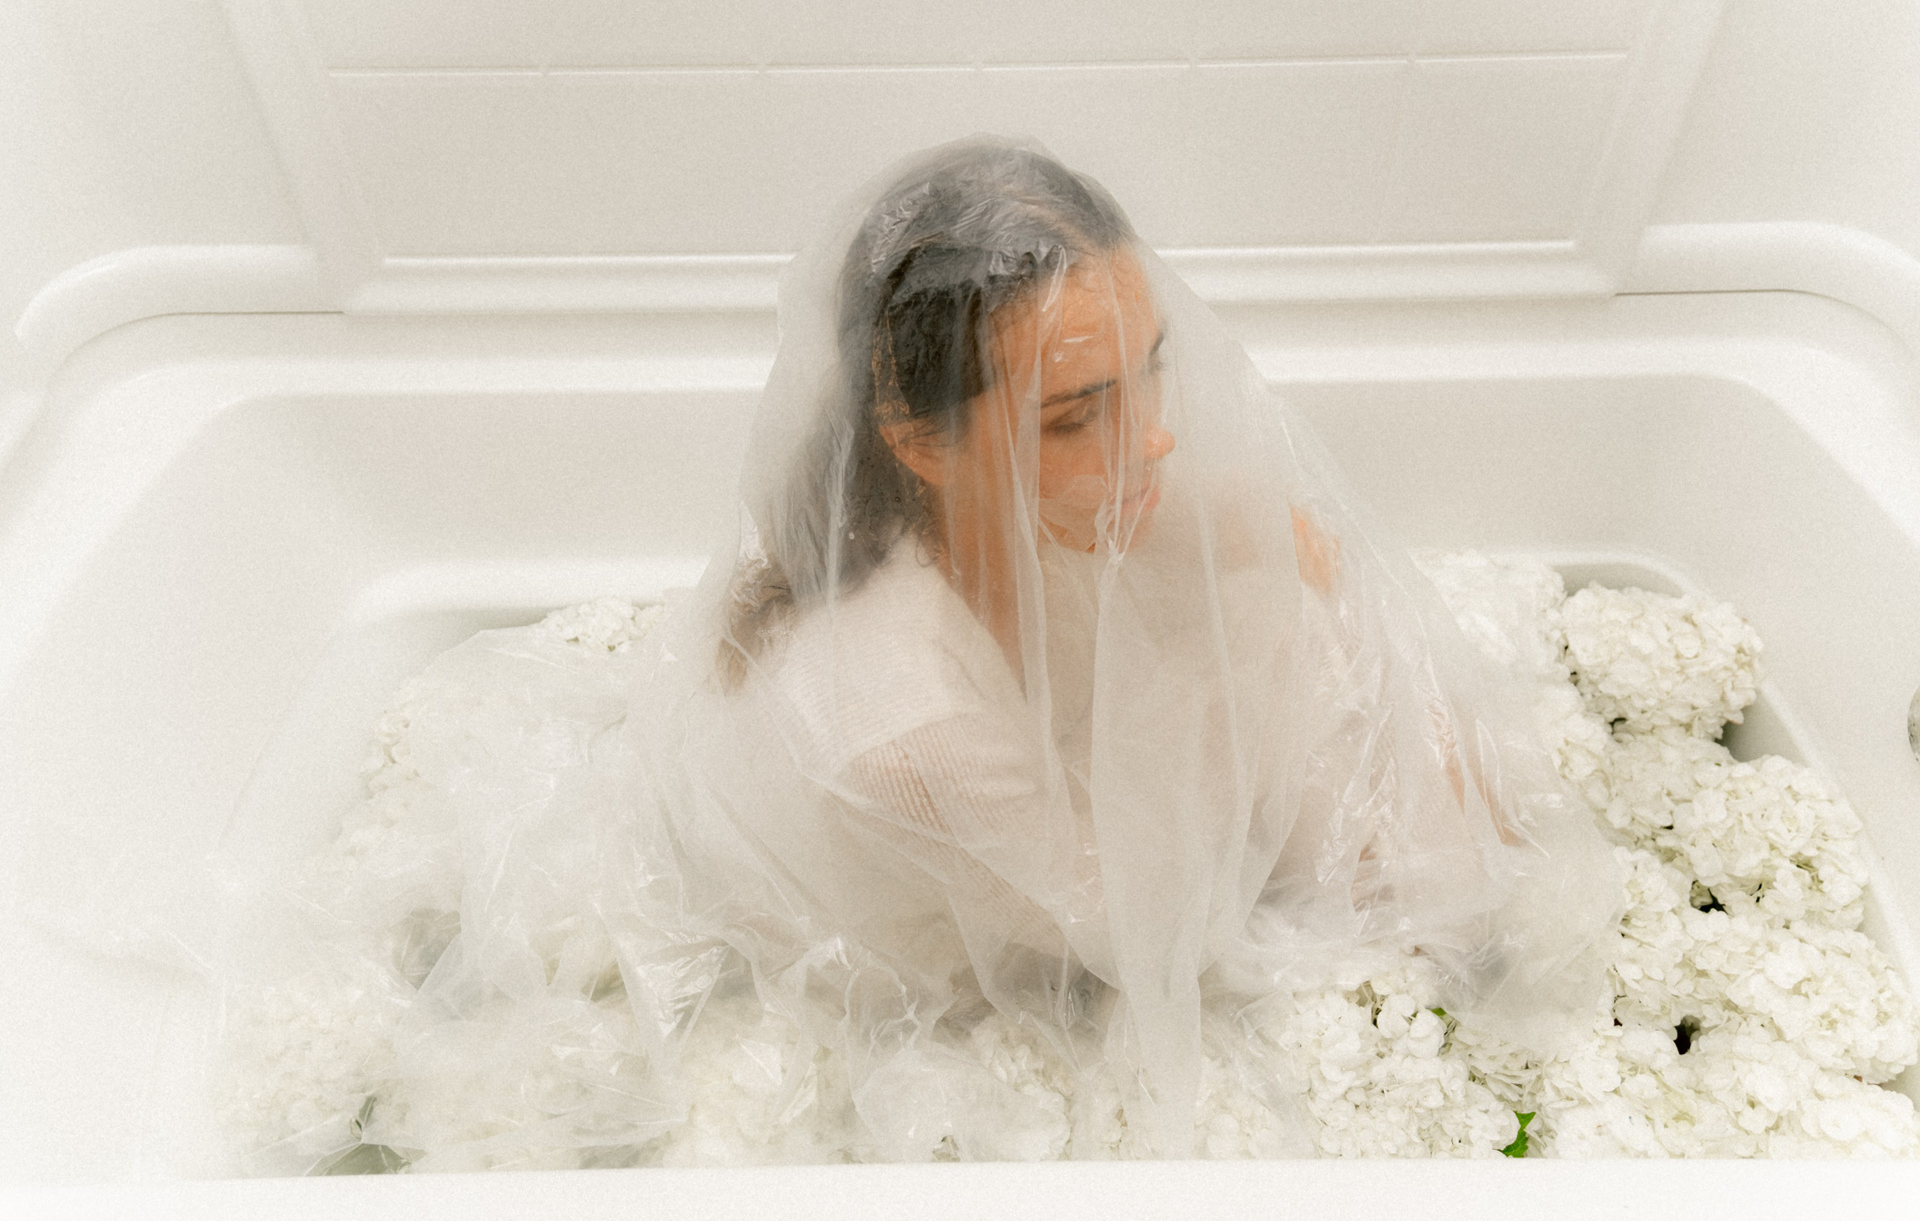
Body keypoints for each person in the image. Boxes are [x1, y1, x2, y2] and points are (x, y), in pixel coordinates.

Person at [609, 136, 1624, 1156]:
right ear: (920, 441)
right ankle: (1466, 931)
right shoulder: (903, 722)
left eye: (1152, 371)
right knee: (1292, 671)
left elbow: (1295, 544)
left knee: (1290, 620)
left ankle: (1462, 907)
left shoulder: (1006, 500)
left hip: (1038, 835)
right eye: (1075, 416)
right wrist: (1292, 722)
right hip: (948, 956)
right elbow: (1128, 919)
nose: (1152, 439)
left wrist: (1367, 685)